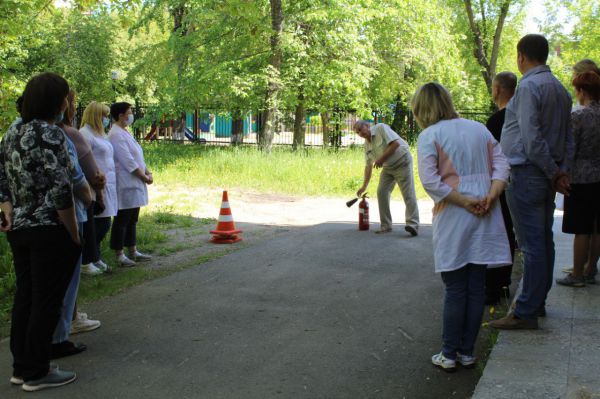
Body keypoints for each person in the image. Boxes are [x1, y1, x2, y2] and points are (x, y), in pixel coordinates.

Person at [413, 82, 511, 372]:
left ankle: (449, 353)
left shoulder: (429, 135)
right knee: (476, 286)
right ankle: (467, 351)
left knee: (456, 287)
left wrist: (464, 202)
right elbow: (502, 164)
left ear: (422, 108)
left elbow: (431, 181)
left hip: (454, 214)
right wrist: (492, 195)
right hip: (486, 211)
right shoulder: (479, 129)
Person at [0, 72, 80, 391]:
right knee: (47, 300)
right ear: (53, 101)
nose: (66, 103)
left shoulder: (12, 134)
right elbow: (61, 188)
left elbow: (2, 179)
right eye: (63, 97)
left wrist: (6, 205)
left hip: (19, 227)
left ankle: (22, 366)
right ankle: (37, 371)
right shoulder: (52, 133)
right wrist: (73, 232)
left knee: (27, 297)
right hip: (50, 227)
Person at [490, 34, 573, 330]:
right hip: (544, 175)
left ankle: (525, 311)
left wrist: (553, 172)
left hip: (527, 173)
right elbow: (567, 138)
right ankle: (536, 302)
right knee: (543, 241)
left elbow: (531, 138)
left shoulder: (528, 87)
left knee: (531, 244)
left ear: (521, 56)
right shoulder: (561, 90)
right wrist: (561, 171)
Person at [555, 71, 600, 287]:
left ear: (582, 91)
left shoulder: (578, 116)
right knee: (597, 227)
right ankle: (591, 269)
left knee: (581, 229)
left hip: (581, 177)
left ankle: (577, 275)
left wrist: (562, 173)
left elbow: (570, 148)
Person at [484, 72, 518, 305]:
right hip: (521, 179)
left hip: (500, 183)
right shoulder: (521, 116)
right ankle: (504, 281)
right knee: (511, 233)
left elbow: (490, 157)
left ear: (497, 90)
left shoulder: (496, 121)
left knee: (500, 231)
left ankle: (494, 285)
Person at [354, 121, 419, 236]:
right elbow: (368, 166)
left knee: (407, 193)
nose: (360, 133)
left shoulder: (380, 128)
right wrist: (364, 186)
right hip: (388, 167)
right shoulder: (366, 145)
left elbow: (396, 144)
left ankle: (413, 224)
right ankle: (386, 225)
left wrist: (381, 160)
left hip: (402, 161)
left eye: (361, 129)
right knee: (381, 192)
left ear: (368, 126)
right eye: (357, 132)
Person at [109, 102, 153, 266]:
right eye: (129, 112)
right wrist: (144, 177)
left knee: (132, 218)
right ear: (120, 115)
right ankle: (119, 254)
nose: (131, 115)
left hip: (135, 182)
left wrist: (148, 172)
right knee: (122, 219)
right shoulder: (115, 134)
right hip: (126, 183)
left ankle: (132, 250)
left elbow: (138, 156)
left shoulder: (124, 132)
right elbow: (128, 161)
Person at [80, 102, 118, 272]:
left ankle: (95, 256)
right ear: (95, 115)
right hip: (95, 184)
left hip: (107, 182)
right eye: (104, 115)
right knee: (100, 223)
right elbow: (87, 160)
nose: (106, 119)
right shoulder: (85, 134)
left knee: (104, 221)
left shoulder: (100, 134)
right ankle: (88, 259)